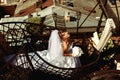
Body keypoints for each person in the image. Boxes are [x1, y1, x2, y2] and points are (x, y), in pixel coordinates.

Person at [14, 29, 84, 68]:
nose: (67, 32)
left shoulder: (67, 41)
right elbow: (62, 55)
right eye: (65, 33)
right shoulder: (64, 44)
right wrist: (72, 55)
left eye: (65, 32)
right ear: (63, 37)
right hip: (60, 57)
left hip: (59, 54)